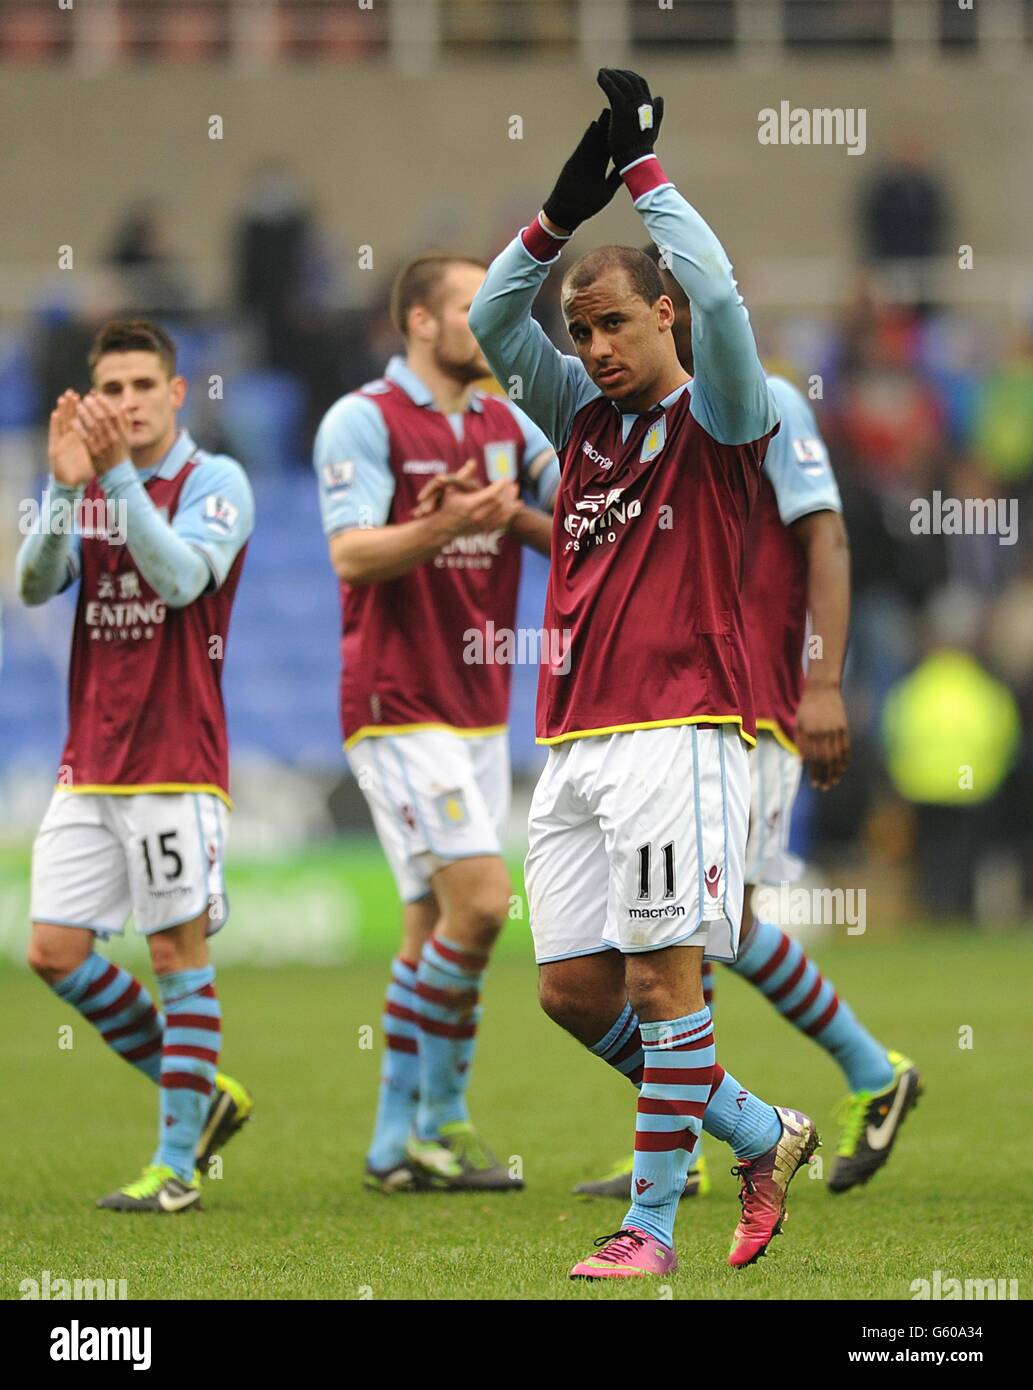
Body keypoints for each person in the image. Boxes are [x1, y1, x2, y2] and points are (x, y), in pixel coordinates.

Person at [468, 69, 817, 1279]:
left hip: (680, 727)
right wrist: (570, 199)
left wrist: (649, 171)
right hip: (571, 737)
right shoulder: (577, 422)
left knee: (667, 980)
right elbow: (488, 322)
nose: (593, 346)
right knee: (573, 989)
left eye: (614, 321)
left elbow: (717, 287)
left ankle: (651, 1230)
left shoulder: (723, 413)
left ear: (664, 318)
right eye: (581, 331)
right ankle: (760, 1130)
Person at [575, 247, 921, 1203]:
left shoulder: (769, 402)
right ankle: (797, 1102)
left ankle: (850, 1081)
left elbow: (827, 536)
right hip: (706, 697)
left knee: (705, 929)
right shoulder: (651, 421)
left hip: (748, 698)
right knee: (706, 926)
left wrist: (821, 683)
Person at [313, 255, 558, 1194]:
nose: (488, 323)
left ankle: (390, 1143)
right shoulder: (363, 419)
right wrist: (447, 528)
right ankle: (443, 1122)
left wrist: (513, 522)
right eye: (469, 307)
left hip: (476, 710)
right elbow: (349, 554)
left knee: (430, 924)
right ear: (419, 320)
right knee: (486, 904)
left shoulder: (504, 420)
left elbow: (568, 515)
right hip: (395, 702)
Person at [17, 319, 255, 1212]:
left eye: (140, 388)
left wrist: (114, 480)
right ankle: (201, 1089)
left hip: (175, 762)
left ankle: (177, 1168)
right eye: (108, 391)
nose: (124, 406)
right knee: (52, 949)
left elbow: (184, 579)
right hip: (91, 760)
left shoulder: (214, 481)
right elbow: (36, 586)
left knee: (173, 950)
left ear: (175, 391)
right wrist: (59, 490)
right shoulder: (86, 488)